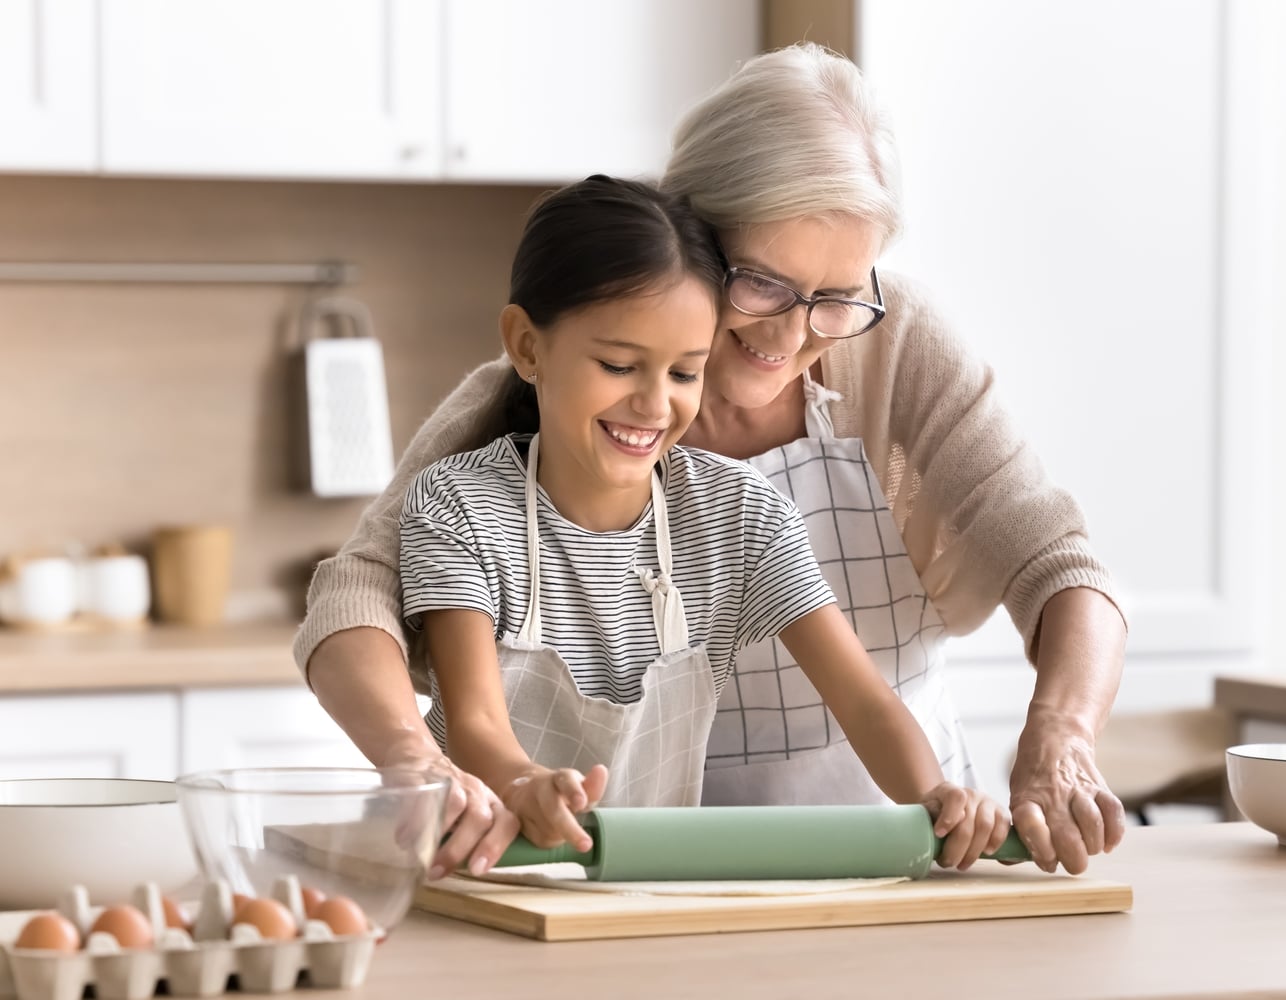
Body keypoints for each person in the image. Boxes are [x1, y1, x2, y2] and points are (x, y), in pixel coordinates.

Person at [293, 43, 1128, 879]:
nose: (790, 335)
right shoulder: (504, 447)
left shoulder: (867, 371)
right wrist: (415, 758)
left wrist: (1058, 734)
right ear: (691, 231)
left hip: (885, 844)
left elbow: (1054, 563)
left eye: (836, 298)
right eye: (762, 283)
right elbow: (357, 595)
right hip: (643, 862)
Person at [398, 174, 1002, 867]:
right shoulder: (459, 506)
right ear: (527, 346)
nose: (654, 405)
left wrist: (937, 795)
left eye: (685, 374)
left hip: (644, 889)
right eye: (619, 365)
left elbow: (866, 703)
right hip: (481, 874)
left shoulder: (739, 513)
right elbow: (474, 721)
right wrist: (522, 784)